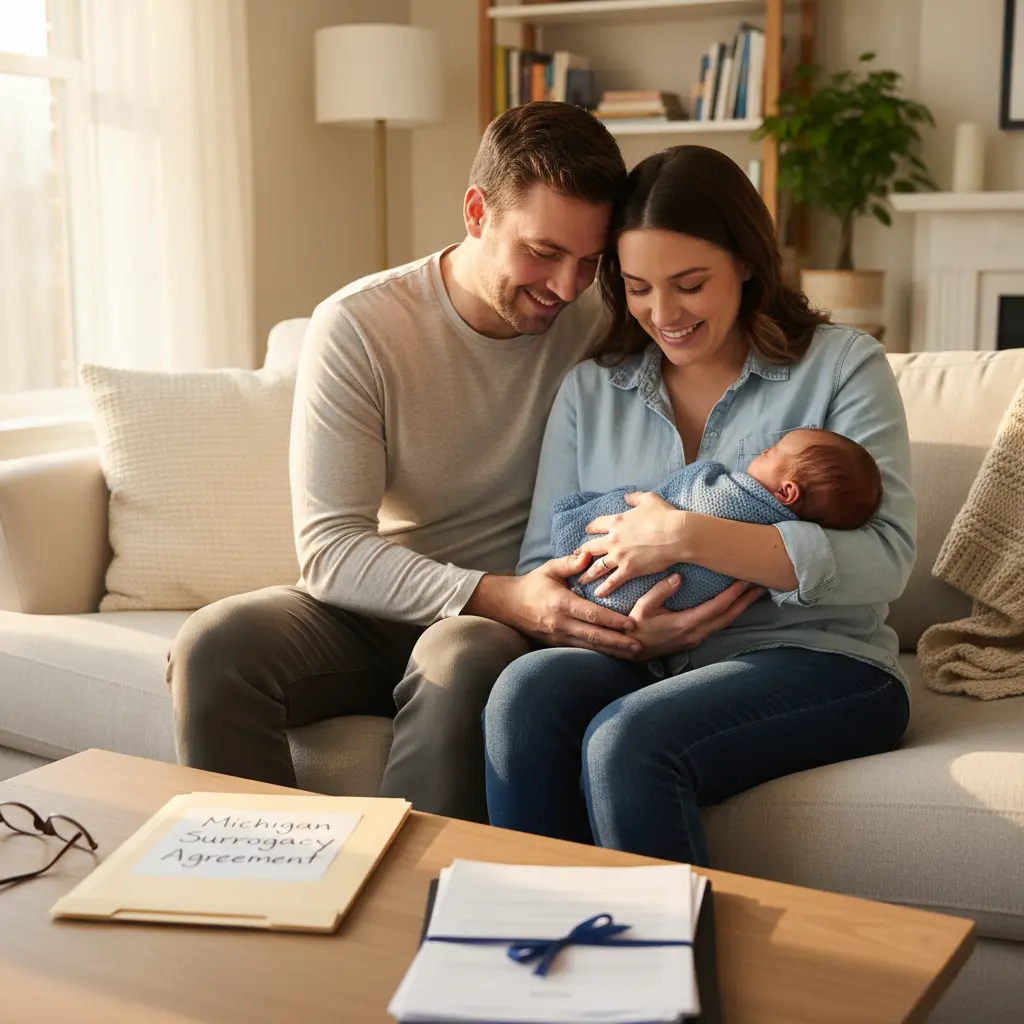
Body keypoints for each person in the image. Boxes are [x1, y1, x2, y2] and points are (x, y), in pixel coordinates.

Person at [168, 102, 669, 824]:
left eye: (588, 261)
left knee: (456, 658)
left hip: (507, 624)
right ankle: (250, 893)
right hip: (392, 606)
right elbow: (332, 552)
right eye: (542, 252)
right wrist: (499, 592)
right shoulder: (362, 326)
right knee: (217, 643)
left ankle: (405, 916)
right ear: (476, 213)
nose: (565, 286)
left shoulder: (604, 325)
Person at [483, 145, 916, 865]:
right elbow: (542, 568)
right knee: (525, 692)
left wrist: (686, 536)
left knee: (628, 740)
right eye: (640, 288)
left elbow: (886, 562)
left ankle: (672, 978)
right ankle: (540, 961)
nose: (664, 313)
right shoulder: (592, 393)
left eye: (689, 284)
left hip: (819, 661)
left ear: (746, 261)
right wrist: (624, 637)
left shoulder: (842, 368)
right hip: (639, 661)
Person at [553, 427, 882, 614]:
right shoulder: (770, 539)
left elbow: (696, 489)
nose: (764, 450)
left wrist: (682, 524)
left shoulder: (737, 499)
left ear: (787, 492)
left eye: (773, 452)